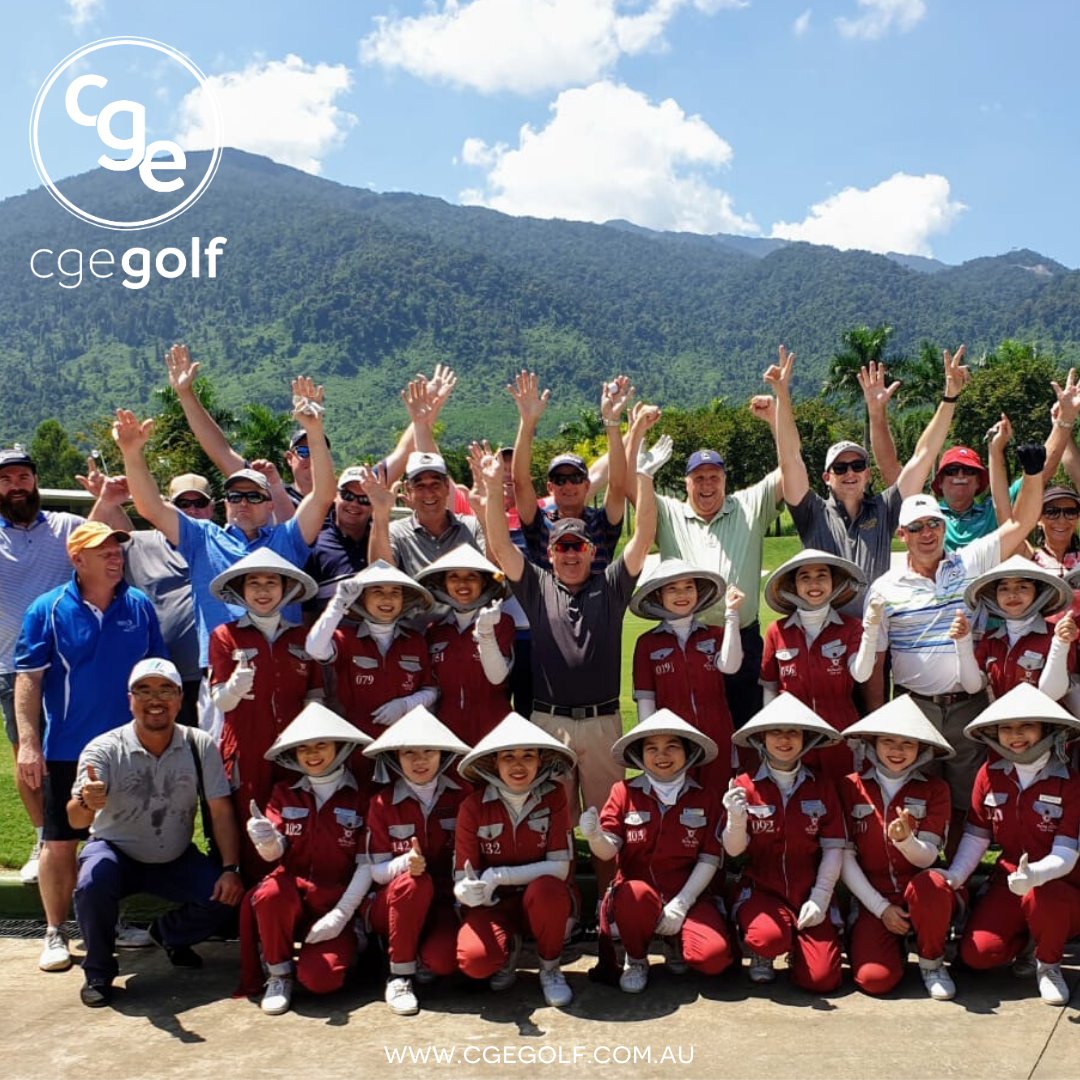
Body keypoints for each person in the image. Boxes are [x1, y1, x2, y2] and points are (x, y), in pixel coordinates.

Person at [477, 436, 661, 842]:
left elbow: (642, 536)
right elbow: (500, 546)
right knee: (552, 829)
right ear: (552, 553)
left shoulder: (611, 586)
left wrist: (644, 479)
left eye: (578, 546)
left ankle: (607, 901)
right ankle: (565, 904)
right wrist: (492, 490)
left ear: (591, 549)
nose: (571, 554)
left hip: (602, 722)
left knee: (609, 828)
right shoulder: (537, 585)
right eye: (562, 547)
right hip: (549, 722)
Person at [864, 441, 1048, 845]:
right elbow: (876, 663)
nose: (926, 534)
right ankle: (920, 874)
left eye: (933, 525)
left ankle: (959, 880)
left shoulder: (969, 561)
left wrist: (1033, 472)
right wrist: (877, 722)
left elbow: (1022, 523)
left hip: (968, 706)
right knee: (916, 798)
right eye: (916, 528)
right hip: (914, 708)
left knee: (968, 801)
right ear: (901, 534)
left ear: (944, 526)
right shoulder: (884, 588)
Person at [14, 521, 165, 974]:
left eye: (118, 549)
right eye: (104, 551)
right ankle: (56, 930)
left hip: (129, 749)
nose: (116, 556)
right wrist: (27, 742)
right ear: (77, 559)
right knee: (60, 843)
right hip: (67, 749)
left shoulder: (139, 606)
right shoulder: (48, 608)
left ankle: (109, 923)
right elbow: (29, 679)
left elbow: (155, 675)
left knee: (119, 840)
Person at [110, 375, 335, 670]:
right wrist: (132, 454)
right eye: (235, 496)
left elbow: (323, 496)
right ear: (224, 502)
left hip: (285, 667)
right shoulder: (202, 537)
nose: (243, 503)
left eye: (254, 497)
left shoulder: (287, 540)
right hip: (221, 670)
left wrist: (314, 430)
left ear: (271, 505)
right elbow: (150, 507)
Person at [68, 658, 244, 1007]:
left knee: (228, 896)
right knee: (91, 882)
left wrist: (230, 869)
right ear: (129, 698)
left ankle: (168, 934)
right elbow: (75, 820)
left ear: (180, 698)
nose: (155, 699)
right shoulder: (104, 748)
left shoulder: (199, 744)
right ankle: (99, 972)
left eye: (166, 690)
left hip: (175, 856)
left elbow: (220, 811)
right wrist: (88, 801)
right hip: (115, 851)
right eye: (144, 690)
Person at [772, 345, 968, 612]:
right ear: (827, 477)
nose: (850, 473)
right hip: (825, 634)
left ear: (867, 473)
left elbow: (923, 456)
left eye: (857, 465)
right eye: (840, 468)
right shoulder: (811, 511)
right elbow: (790, 459)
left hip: (876, 634)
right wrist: (782, 396)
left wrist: (949, 398)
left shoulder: (885, 508)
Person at [938, 684, 1080, 1006]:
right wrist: (955, 877)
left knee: (1042, 898)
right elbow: (977, 836)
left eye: (1026, 726)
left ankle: (1048, 965)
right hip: (1010, 877)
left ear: (1046, 729)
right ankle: (1031, 938)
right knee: (978, 954)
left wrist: (1036, 876)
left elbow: (1067, 854)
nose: (1016, 735)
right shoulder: (989, 774)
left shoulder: (1071, 782)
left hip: (1062, 884)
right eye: (1006, 728)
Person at [581, 710, 733, 993]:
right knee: (633, 895)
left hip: (690, 896)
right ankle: (637, 959)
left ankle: (675, 940)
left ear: (688, 753)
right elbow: (607, 851)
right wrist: (594, 836)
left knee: (712, 958)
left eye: (672, 747)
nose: (662, 755)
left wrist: (682, 904)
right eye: (652, 748)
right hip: (637, 897)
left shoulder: (706, 796)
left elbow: (710, 858)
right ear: (640, 756)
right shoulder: (623, 792)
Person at [652, 401, 782, 729]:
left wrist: (775, 421)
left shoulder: (749, 504)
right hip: (687, 642)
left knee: (745, 731)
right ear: (686, 483)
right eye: (698, 478)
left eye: (714, 477)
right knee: (690, 733)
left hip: (742, 635)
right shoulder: (668, 512)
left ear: (725, 479)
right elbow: (628, 491)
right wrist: (641, 464)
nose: (707, 485)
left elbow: (791, 470)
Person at [237, 702, 372, 1015]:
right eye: (304, 748)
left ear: (339, 747)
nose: (313, 754)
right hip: (292, 899)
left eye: (322, 745)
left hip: (339, 903)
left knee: (321, 980)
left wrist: (341, 915)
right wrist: (265, 840)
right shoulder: (284, 793)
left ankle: (352, 950)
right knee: (270, 892)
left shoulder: (362, 796)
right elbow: (275, 853)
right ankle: (279, 973)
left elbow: (367, 863)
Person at [207, 549, 323, 882]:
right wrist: (234, 687)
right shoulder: (225, 636)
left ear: (287, 589)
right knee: (251, 817)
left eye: (271, 582)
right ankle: (249, 904)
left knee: (295, 816)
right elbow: (222, 703)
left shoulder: (302, 637)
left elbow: (314, 699)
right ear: (239, 591)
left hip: (296, 747)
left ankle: (293, 893)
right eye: (253, 583)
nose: (262, 590)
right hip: (246, 745)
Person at [0, 445, 84, 884]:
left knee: (86, 755)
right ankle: (43, 838)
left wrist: (108, 499)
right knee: (28, 755)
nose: (16, 485)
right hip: (12, 668)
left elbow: (109, 545)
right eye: (6, 479)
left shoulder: (68, 525)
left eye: (23, 477)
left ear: (35, 480)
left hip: (73, 664)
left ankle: (95, 842)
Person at [454, 712, 578, 1008]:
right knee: (475, 961)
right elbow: (461, 878)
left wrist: (499, 875)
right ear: (494, 763)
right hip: (493, 904)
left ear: (540, 761)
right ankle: (507, 949)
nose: (518, 765)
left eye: (528, 756)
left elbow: (560, 868)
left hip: (542, 899)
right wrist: (467, 892)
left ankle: (550, 968)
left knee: (548, 890)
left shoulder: (555, 795)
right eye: (508, 756)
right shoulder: (472, 806)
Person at [838, 696, 958, 1000]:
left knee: (932, 883)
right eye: (888, 741)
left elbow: (929, 856)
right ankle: (891, 944)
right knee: (874, 980)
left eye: (907, 743)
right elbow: (845, 858)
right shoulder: (850, 787)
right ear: (872, 743)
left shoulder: (935, 789)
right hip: (873, 897)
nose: (896, 751)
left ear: (922, 749)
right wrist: (881, 909)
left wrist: (906, 841)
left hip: (920, 890)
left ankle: (932, 962)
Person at [724, 694, 845, 992]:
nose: (784, 739)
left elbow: (833, 847)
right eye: (775, 732)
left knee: (822, 979)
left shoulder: (822, 785)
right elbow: (734, 849)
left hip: (808, 890)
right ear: (761, 738)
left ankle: (798, 950)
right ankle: (762, 951)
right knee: (767, 938)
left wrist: (820, 897)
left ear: (807, 739)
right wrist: (736, 820)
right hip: (761, 889)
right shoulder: (744, 785)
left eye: (793, 732)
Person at [361, 705, 471, 1015]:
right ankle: (399, 975)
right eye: (409, 753)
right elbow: (378, 872)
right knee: (414, 883)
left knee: (443, 962)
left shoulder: (462, 796)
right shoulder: (381, 802)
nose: (420, 760)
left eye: (428, 751)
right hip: (395, 898)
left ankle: (419, 953)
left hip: (443, 902)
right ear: (396, 757)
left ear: (443, 755)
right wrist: (404, 865)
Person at [88, 467, 216, 728]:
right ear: (168, 506)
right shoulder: (139, 544)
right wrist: (105, 501)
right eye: (183, 503)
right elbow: (88, 546)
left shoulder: (223, 543)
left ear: (211, 508)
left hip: (214, 676)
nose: (191, 510)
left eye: (199, 503)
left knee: (212, 759)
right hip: (157, 678)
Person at [760, 549, 875, 780]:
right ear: (793, 586)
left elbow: (861, 675)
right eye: (805, 577)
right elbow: (770, 686)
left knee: (845, 798)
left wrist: (871, 630)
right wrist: (771, 732)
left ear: (834, 583)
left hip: (841, 732)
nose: (814, 583)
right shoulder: (777, 630)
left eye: (822, 575)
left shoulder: (851, 627)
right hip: (793, 735)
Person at [630, 558, 742, 791]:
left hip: (718, 732)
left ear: (698, 592)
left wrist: (732, 615)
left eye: (688, 587)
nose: (682, 594)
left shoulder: (715, 633)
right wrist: (652, 745)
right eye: (672, 589)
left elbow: (730, 666)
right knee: (680, 799)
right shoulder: (647, 643)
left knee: (719, 797)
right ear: (659, 596)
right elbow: (646, 700)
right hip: (673, 740)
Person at [508, 372, 631, 571]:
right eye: (560, 479)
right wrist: (527, 422)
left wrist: (612, 422)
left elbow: (617, 485)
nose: (568, 485)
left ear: (587, 485)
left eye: (575, 478)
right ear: (550, 487)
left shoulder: (601, 523)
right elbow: (520, 483)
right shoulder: (539, 523)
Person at [305, 561, 437, 742]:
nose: (387, 599)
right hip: (356, 741)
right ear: (362, 599)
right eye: (377, 592)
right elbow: (314, 648)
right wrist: (337, 606)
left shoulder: (415, 641)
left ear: (403, 600)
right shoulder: (345, 638)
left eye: (395, 593)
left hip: (405, 742)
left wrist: (405, 705)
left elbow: (431, 690)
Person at [416, 545, 515, 745]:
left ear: (484, 583)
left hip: (494, 724)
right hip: (446, 726)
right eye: (453, 577)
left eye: (471, 577)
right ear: (444, 584)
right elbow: (431, 687)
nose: (462, 583)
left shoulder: (502, 622)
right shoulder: (435, 630)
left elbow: (497, 678)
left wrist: (486, 633)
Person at [957, 554, 1077, 702]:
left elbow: (1051, 693)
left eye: (1022, 587)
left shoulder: (1057, 635)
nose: (1012, 595)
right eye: (1004, 589)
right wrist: (962, 641)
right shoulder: (990, 639)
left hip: (1044, 723)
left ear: (1038, 593)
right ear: (995, 597)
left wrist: (1061, 644)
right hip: (1003, 723)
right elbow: (973, 686)